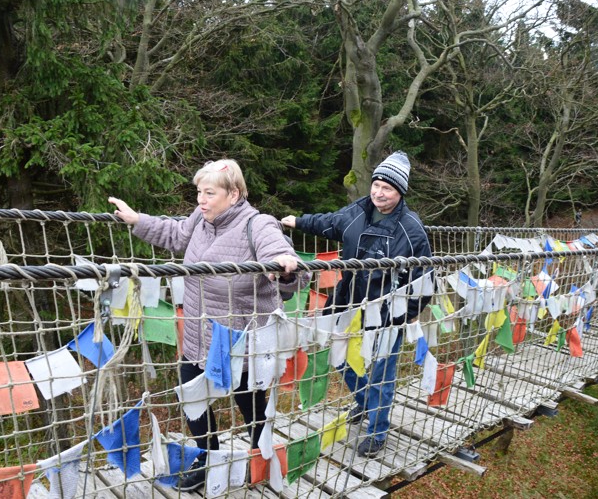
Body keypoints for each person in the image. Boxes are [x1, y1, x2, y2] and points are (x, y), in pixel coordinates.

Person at [109, 159, 307, 491]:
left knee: (252, 408)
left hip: (243, 340)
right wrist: (136, 220)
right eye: (199, 192)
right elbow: (174, 234)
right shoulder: (200, 221)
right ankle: (207, 457)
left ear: (234, 194)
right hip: (200, 335)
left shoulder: (258, 224)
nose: (201, 199)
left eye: (209, 193)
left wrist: (285, 265)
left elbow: (284, 257)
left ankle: (263, 459)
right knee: (192, 397)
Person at [280, 151, 432, 458]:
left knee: (381, 372)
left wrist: (405, 314)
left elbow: (425, 278)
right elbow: (329, 223)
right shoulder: (358, 211)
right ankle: (363, 400)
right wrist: (296, 221)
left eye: (386, 188)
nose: (378, 192)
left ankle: (377, 430)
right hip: (346, 301)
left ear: (399, 192)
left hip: (387, 311)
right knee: (336, 355)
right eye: (376, 184)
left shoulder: (411, 229)